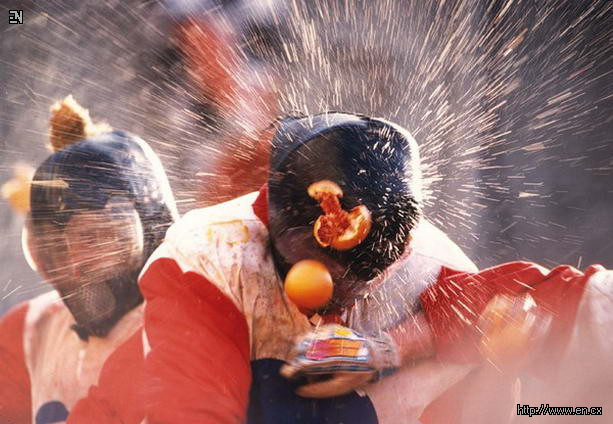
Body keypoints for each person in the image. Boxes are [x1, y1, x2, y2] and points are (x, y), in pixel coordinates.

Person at [138, 112, 478, 423]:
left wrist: (385, 349)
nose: (333, 293)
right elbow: (190, 410)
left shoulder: (423, 257)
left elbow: (505, 300)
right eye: (319, 264)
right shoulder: (207, 256)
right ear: (274, 221)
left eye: (355, 281)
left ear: (401, 254)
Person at [0, 96, 178, 423]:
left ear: (155, 228)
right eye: (56, 247)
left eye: (99, 238)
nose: (76, 262)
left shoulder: (190, 326)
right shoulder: (29, 331)